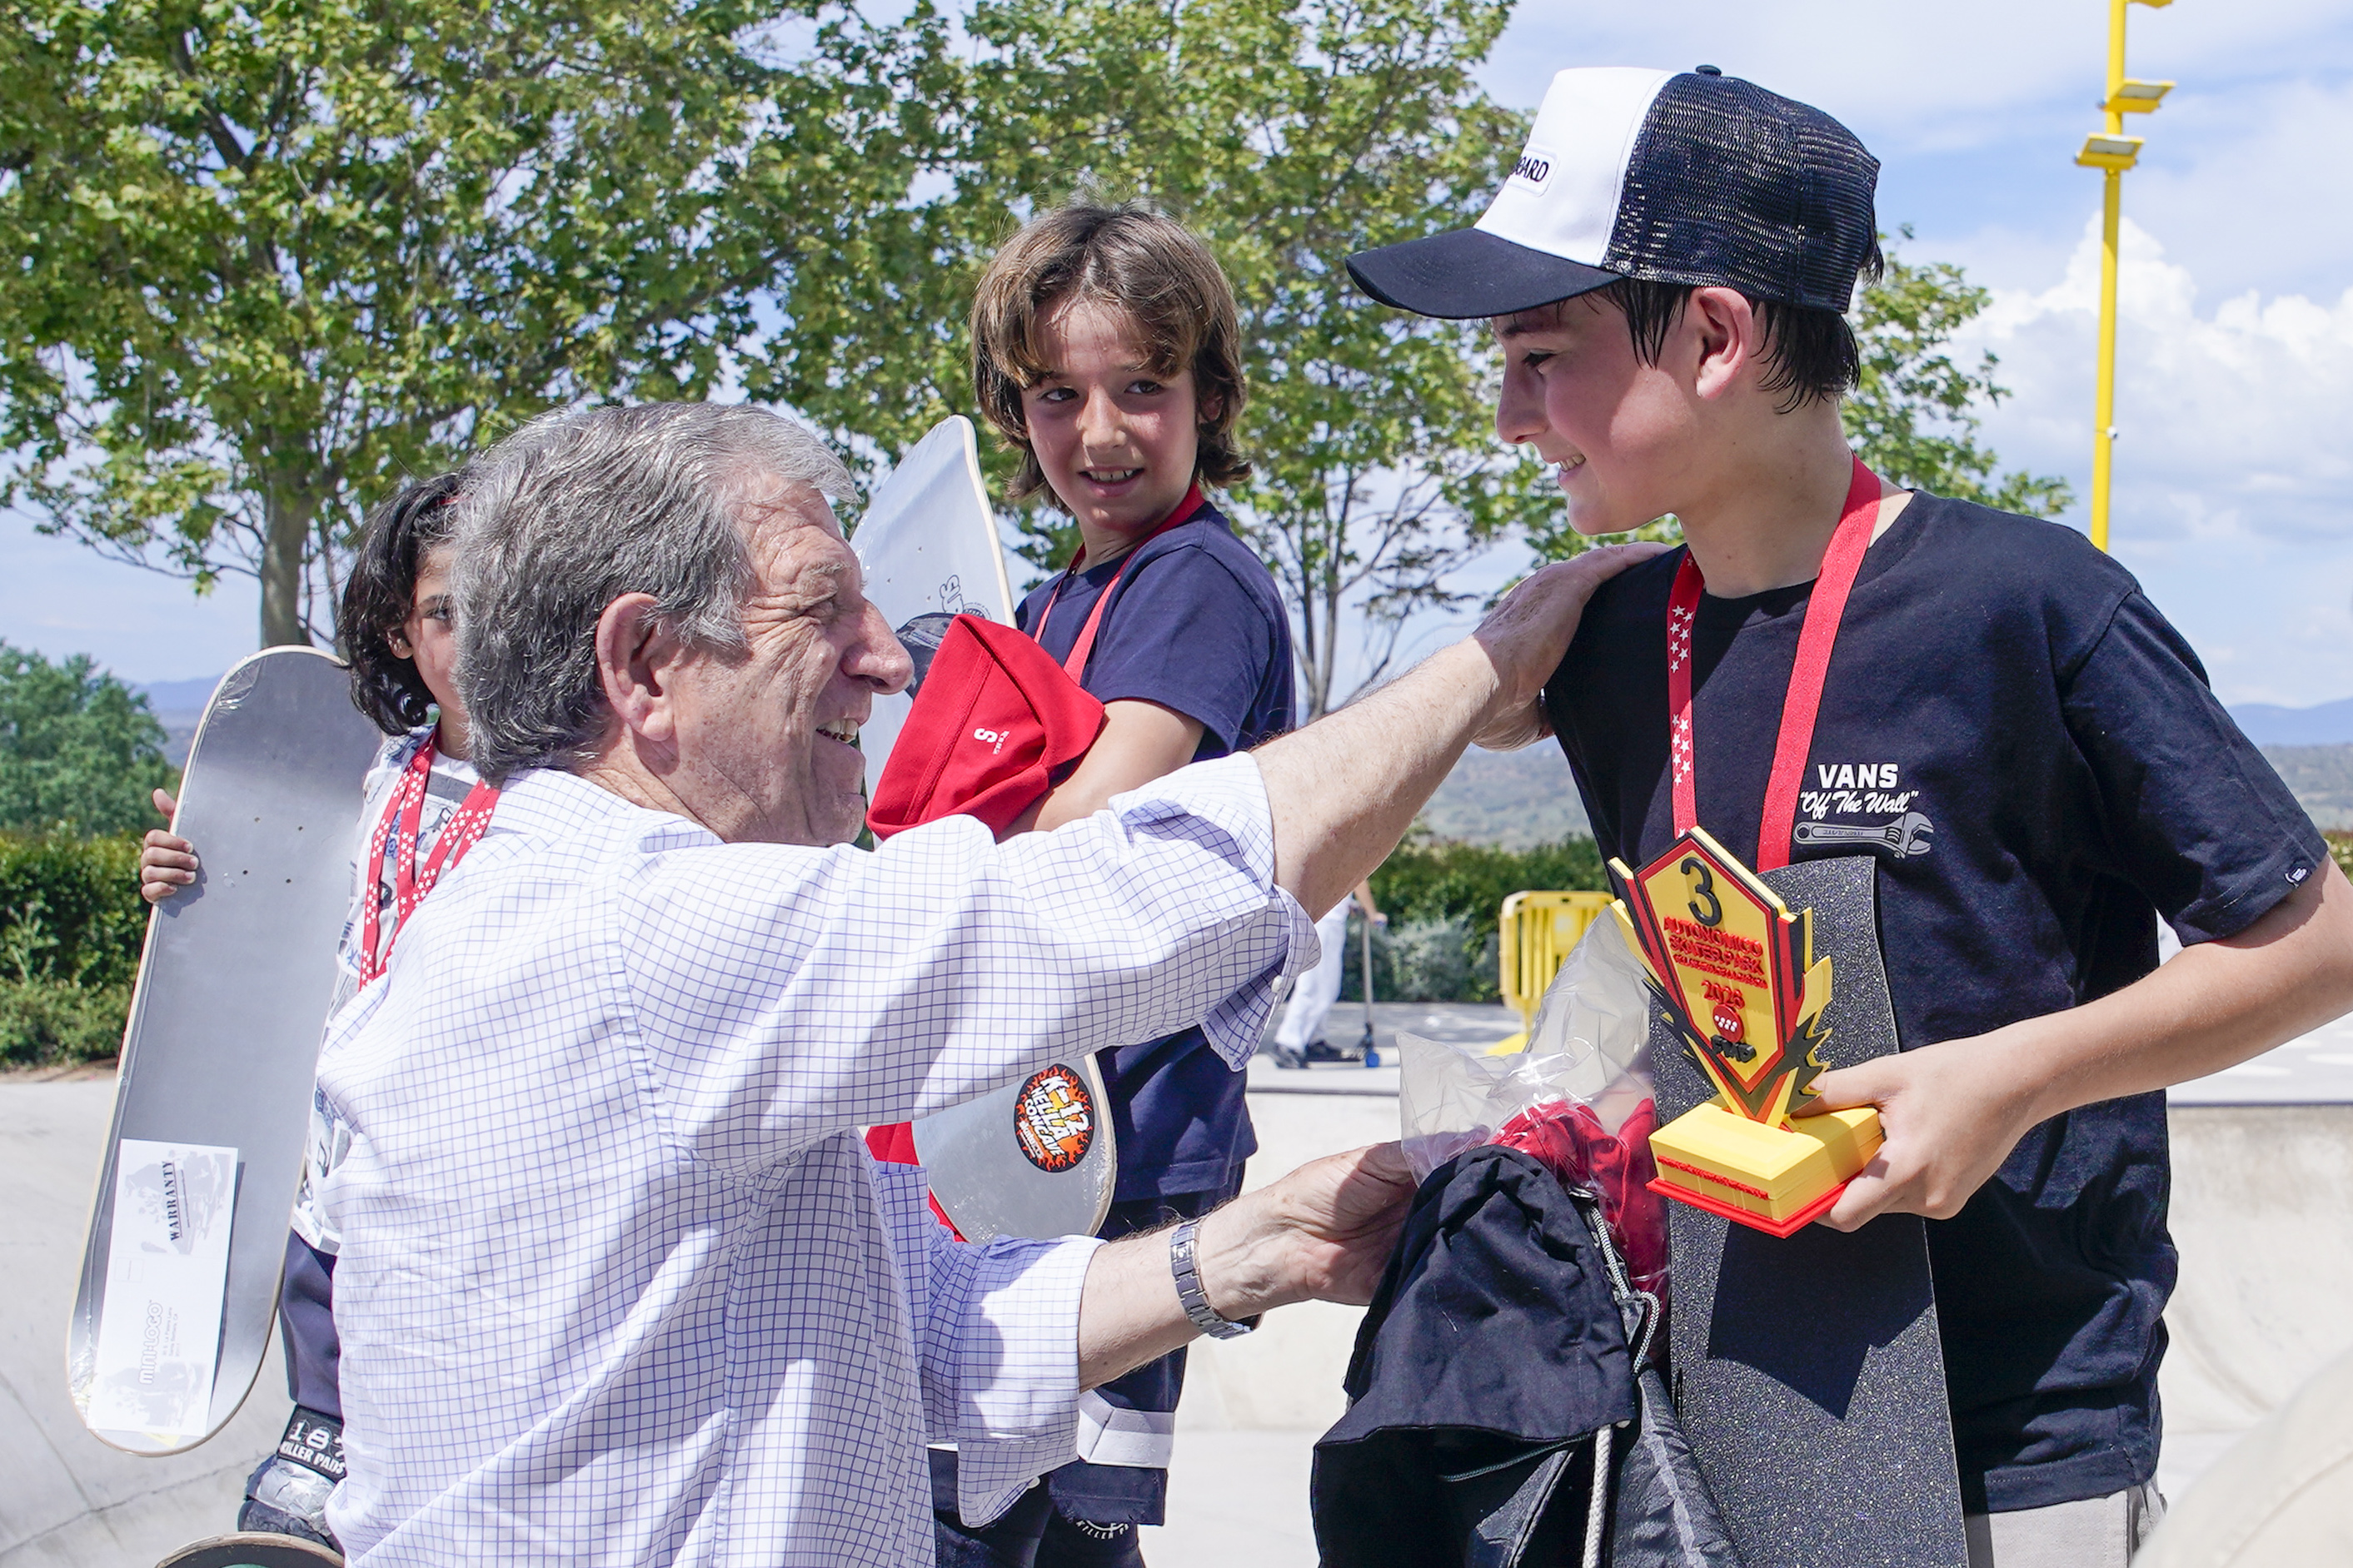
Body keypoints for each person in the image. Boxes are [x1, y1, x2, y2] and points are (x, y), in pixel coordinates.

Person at [309, 400, 1655, 1565]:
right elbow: (1122, 908)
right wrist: (1485, 668)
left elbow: (929, 1318)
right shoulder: (634, 935)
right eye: (818, 610)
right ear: (646, 661)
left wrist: (1257, 1249)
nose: (890, 660)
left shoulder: (576, 925)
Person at [1345, 64, 2353, 1568]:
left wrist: (2005, 1083)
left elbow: (2315, 941)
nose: (1507, 418)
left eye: (1541, 356)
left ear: (1717, 334)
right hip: (1723, 1388)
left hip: (2013, 1426)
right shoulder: (1607, 648)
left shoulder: (2028, 605)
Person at [912, 199, 1298, 1563]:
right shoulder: (1062, 591)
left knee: (1031, 1518)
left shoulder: (1193, 578)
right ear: (1015, 413)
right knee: (1028, 1517)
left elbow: (1083, 831)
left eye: (1143, 386)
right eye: (1057, 396)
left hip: (1125, 1146)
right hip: (1042, 1124)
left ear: (1210, 393)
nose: (1102, 431)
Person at [136, 471, 486, 1548]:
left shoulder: (582, 795)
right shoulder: (354, 783)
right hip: (334, 1218)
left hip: (479, 1235)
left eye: (504, 597)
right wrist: (191, 869)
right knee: (312, 1498)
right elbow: (255, 931)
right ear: (396, 631)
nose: (477, 633)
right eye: (443, 610)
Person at [1269, 880, 1383, 1067]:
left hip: (1326, 917)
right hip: (1324, 921)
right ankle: (1288, 1043)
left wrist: (1348, 903)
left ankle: (1314, 1040)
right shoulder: (1349, 849)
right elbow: (1358, 878)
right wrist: (1372, 913)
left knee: (1327, 987)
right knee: (1315, 986)